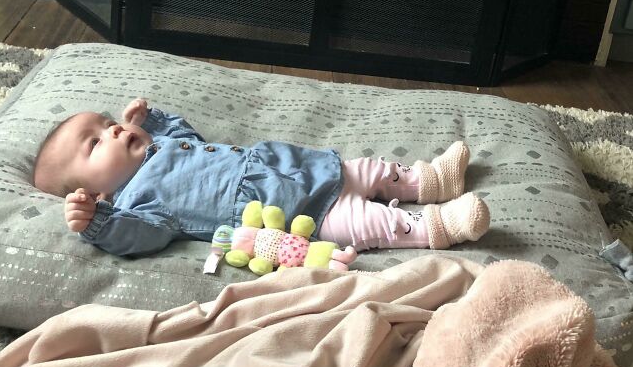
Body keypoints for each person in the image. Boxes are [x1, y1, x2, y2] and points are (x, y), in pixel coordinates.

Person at [32, 98, 490, 257]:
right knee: (371, 225)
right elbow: (141, 237)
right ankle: (439, 225)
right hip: (294, 213)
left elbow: (189, 135)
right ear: (94, 191)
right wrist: (96, 222)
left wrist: (152, 121)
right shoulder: (137, 203)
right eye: (94, 143)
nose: (112, 129)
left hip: (298, 167)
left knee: (365, 170)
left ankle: (429, 181)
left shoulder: (160, 145)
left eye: (106, 121)